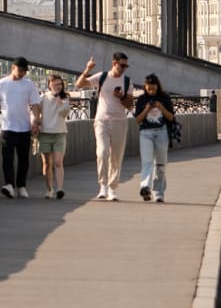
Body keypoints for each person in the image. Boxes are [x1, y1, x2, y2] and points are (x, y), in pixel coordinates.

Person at [75, 51, 133, 200]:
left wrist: (123, 97)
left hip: (120, 121)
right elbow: (79, 84)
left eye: (126, 65)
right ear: (114, 63)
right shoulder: (102, 77)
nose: (124, 68)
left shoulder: (127, 81)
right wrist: (88, 69)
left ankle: (113, 188)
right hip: (102, 121)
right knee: (102, 152)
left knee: (116, 157)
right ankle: (103, 186)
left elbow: (130, 105)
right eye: (122, 65)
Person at [0, 55, 42, 198]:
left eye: (25, 70)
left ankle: (21, 186)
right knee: (7, 159)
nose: (22, 73)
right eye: (20, 70)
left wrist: (36, 122)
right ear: (13, 68)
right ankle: (9, 185)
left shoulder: (29, 85)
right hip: (7, 127)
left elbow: (35, 105)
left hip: (24, 127)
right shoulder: (1, 84)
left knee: (24, 159)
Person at [132, 74, 176, 202]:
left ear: (157, 86)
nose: (151, 90)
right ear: (145, 87)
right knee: (147, 162)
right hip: (146, 133)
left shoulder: (164, 98)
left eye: (153, 88)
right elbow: (138, 120)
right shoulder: (141, 99)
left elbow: (171, 117)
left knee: (161, 164)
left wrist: (161, 107)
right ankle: (145, 186)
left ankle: (159, 193)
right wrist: (146, 109)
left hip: (161, 132)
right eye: (148, 88)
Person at [35, 72, 72, 199]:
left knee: (58, 162)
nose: (57, 86)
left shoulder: (65, 97)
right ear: (49, 85)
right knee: (46, 164)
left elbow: (64, 114)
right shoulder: (43, 97)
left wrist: (60, 103)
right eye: (55, 84)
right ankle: (49, 189)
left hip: (60, 133)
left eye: (60, 84)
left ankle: (60, 188)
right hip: (45, 133)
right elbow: (36, 111)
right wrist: (35, 122)